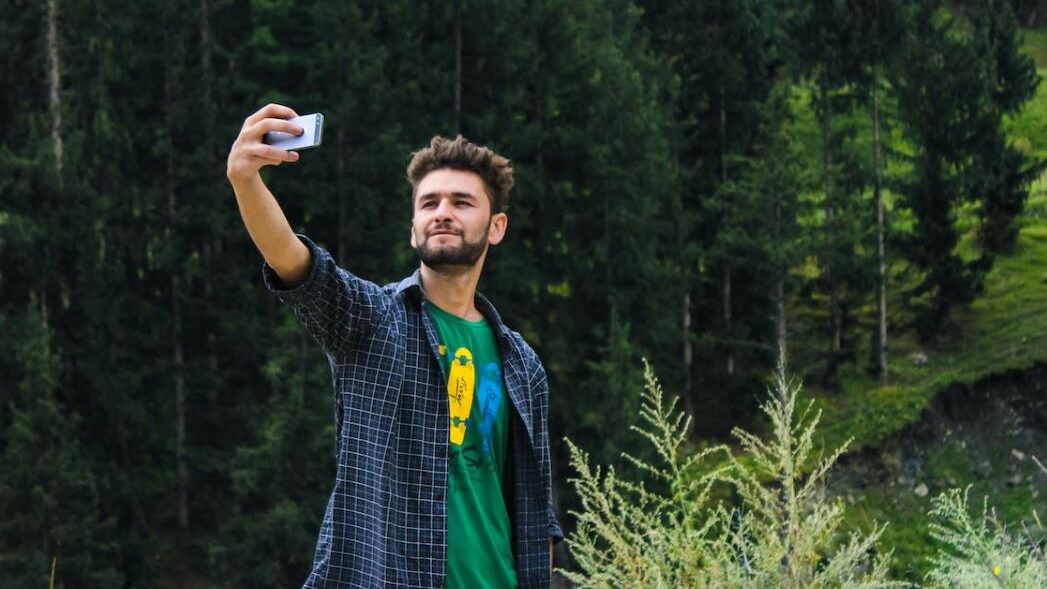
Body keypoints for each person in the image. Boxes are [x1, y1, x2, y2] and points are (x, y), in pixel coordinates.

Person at [226, 103, 562, 588]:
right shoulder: (374, 321)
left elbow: (535, 516)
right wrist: (245, 181)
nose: (442, 214)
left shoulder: (522, 365)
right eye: (429, 203)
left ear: (496, 226)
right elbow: (295, 263)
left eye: (462, 202)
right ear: (412, 227)